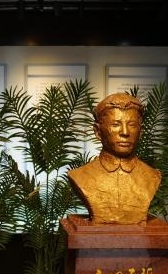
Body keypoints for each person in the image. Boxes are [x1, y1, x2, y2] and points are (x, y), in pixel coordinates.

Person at [68, 92, 161, 225]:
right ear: (98, 132)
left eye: (132, 125)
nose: (125, 132)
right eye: (116, 124)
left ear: (140, 132)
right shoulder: (80, 176)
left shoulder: (152, 177)